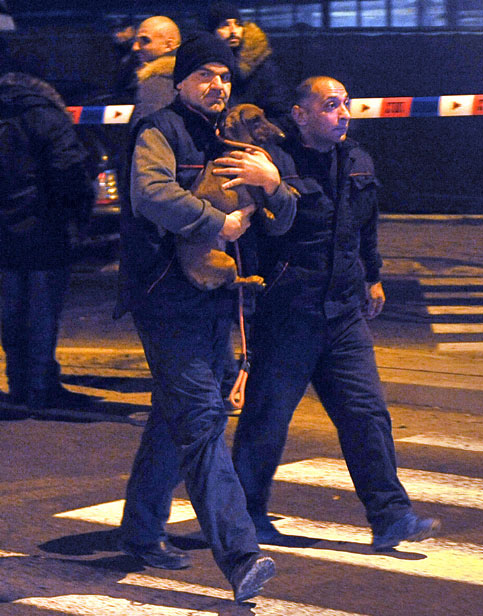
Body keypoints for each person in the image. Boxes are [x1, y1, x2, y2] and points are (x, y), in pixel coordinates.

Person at [114, 33, 298, 603]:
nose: (217, 85)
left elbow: (286, 216)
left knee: (180, 411)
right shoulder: (160, 130)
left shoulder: (228, 138)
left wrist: (273, 186)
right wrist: (216, 223)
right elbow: (149, 194)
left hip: (216, 296)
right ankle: (241, 556)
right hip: (166, 297)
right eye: (204, 75)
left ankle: (141, 528)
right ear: (180, 82)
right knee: (201, 420)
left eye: (224, 76)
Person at [232, 76, 441, 551]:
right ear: (300, 114)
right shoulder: (273, 162)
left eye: (346, 103)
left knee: (367, 413)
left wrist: (372, 275)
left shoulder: (357, 160)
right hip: (289, 311)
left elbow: (365, 226)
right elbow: (274, 230)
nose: (343, 113)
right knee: (267, 419)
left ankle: (391, 516)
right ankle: (244, 518)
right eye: (330, 105)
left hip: (343, 312)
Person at [0, 72, 94, 410]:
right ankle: (41, 388)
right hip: (44, 227)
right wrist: (78, 213)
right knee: (41, 312)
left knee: (12, 311)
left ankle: (18, 384)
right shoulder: (46, 116)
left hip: (5, 232)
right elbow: (69, 170)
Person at [206, 2, 291, 127]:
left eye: (238, 24)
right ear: (212, 32)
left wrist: (250, 130)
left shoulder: (261, 65)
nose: (233, 31)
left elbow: (281, 112)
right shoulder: (203, 67)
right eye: (225, 25)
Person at [130, 15, 181, 127]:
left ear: (169, 45)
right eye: (135, 41)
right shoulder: (187, 78)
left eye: (145, 41)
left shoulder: (155, 83)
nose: (135, 47)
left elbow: (148, 129)